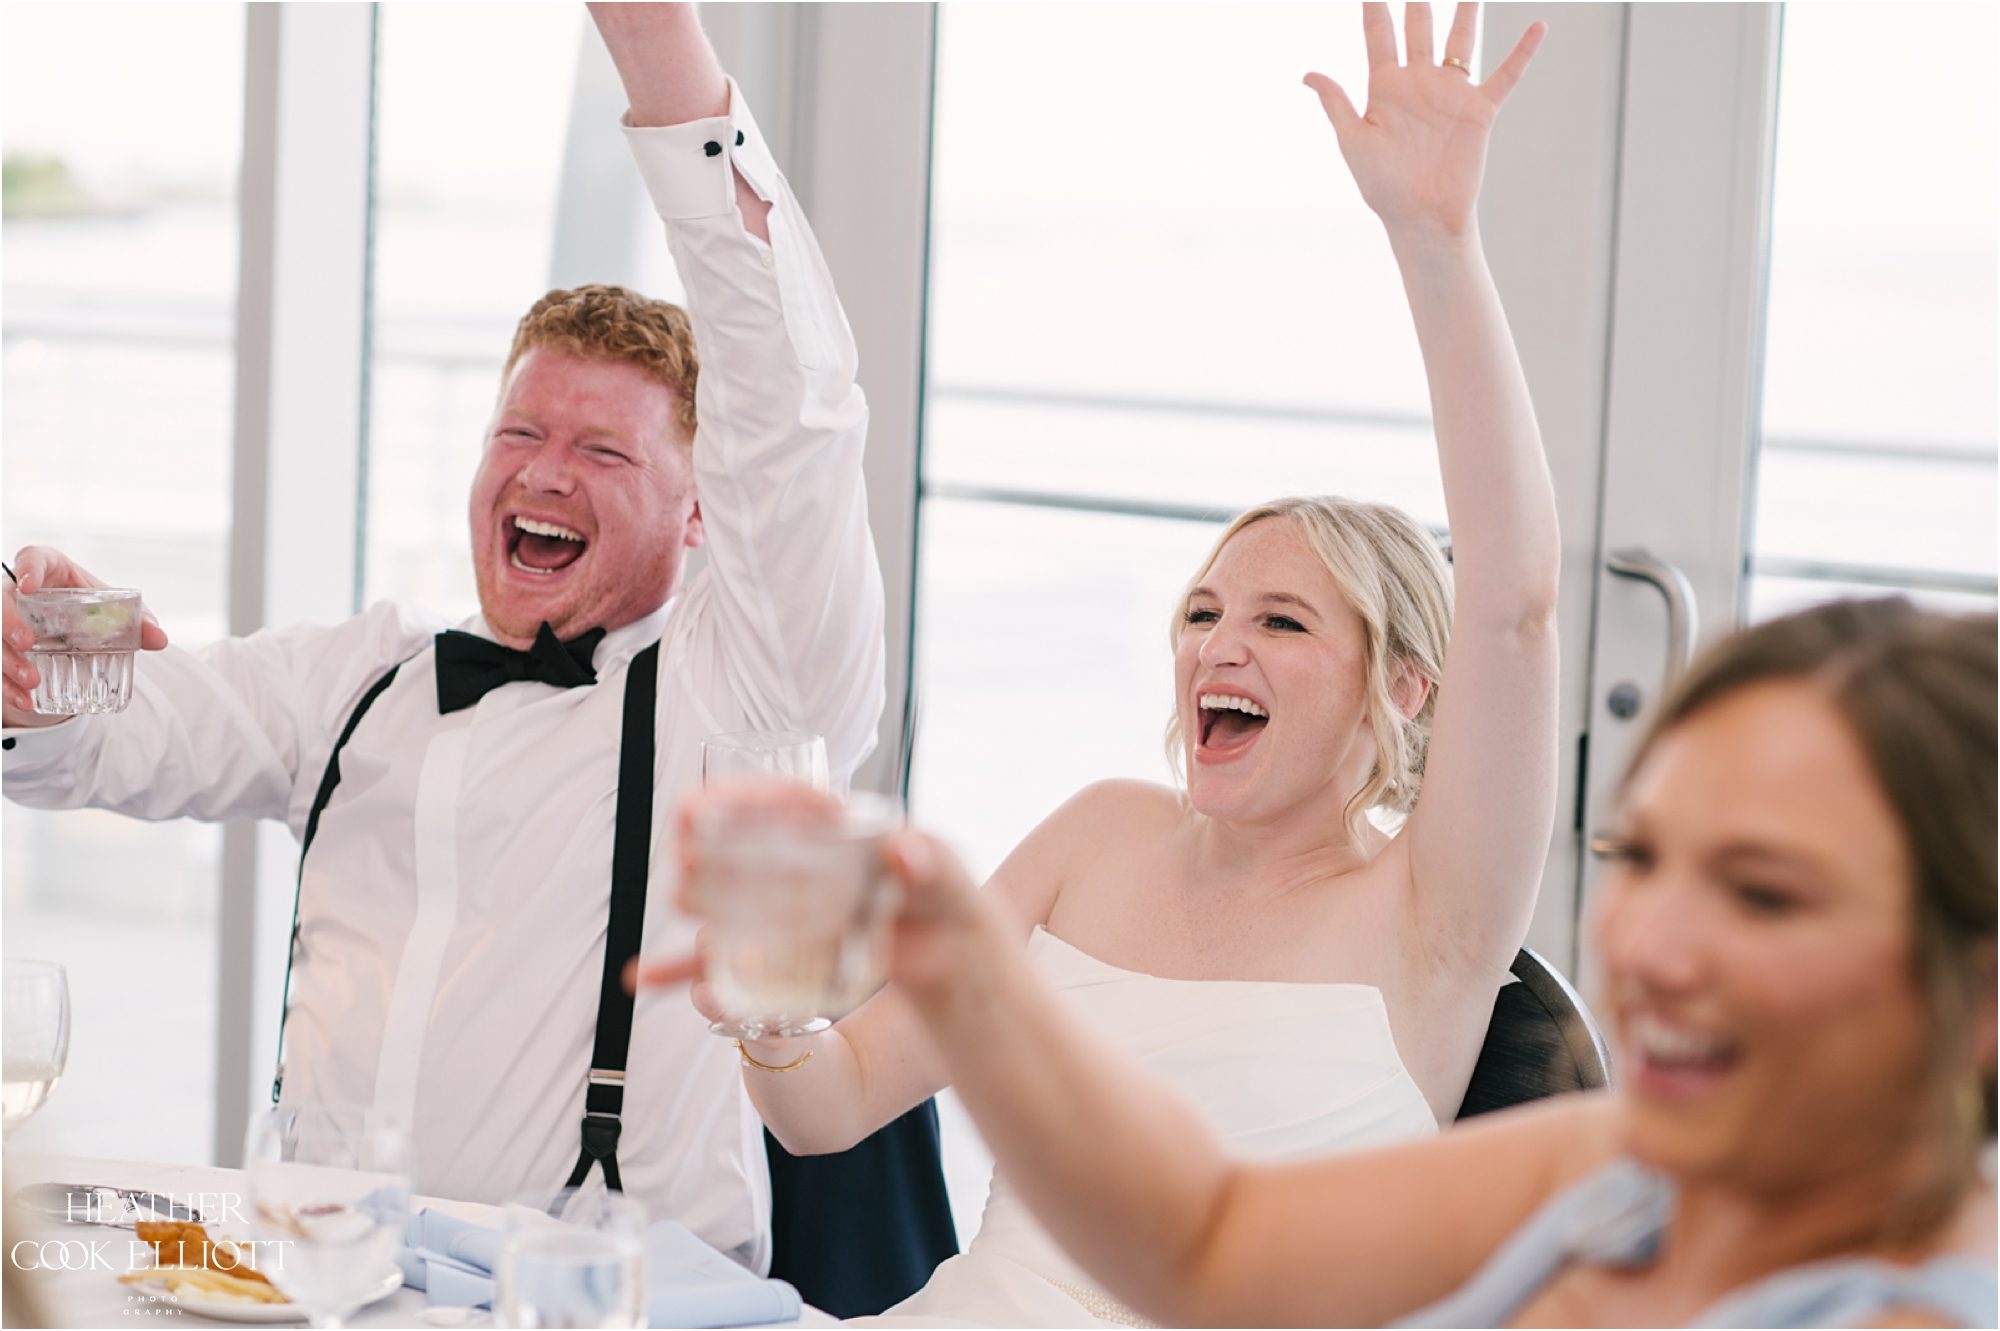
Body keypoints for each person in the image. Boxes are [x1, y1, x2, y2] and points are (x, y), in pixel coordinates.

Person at [646, 4, 1560, 1322]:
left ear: (1406, 688)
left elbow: (1515, 606)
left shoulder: (1435, 907)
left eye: (1283, 622)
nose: (1220, 643)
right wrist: (770, 1013)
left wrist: (1436, 241)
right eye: (1203, 611)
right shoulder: (1100, 832)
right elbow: (830, 1110)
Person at [1, 3, 884, 1273]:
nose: (545, 472)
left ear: (701, 511)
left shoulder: (746, 698)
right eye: (518, 433)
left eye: (602, 450)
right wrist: (38, 662)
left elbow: (793, 413)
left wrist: (659, 52)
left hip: (593, 1299)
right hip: (308, 1278)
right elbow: (116, 730)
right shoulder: (363, 676)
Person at [852, 596, 2000, 1327]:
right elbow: (1202, 1239)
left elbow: (1515, 615)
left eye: (1761, 894)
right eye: (1641, 857)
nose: (1644, 944)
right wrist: (967, 972)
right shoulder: (1617, 1167)